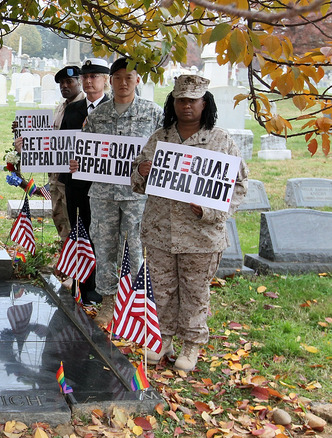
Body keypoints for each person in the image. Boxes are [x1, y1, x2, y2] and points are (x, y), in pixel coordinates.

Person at [131, 75, 248, 372]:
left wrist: (209, 211)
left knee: (195, 292)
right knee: (162, 290)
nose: (186, 105)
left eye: (193, 100)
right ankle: (163, 339)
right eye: (181, 100)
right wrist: (142, 171)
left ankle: (192, 345)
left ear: (204, 103)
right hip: (160, 232)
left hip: (200, 236)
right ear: (173, 102)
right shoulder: (160, 138)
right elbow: (137, 182)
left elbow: (238, 186)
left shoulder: (220, 140)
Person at [68, 57, 163, 326]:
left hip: (137, 195)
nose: (123, 83)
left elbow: (165, 150)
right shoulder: (97, 115)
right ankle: (108, 302)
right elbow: (87, 150)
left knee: (136, 248)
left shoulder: (153, 113)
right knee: (105, 246)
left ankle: (135, 304)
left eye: (129, 77)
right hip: (103, 194)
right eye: (118, 78)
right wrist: (80, 163)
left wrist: (151, 165)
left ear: (138, 80)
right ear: (111, 80)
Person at [57, 58, 111, 304]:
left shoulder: (113, 109)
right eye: (86, 77)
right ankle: (82, 285)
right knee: (80, 234)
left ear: (105, 80)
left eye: (95, 77)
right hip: (75, 185)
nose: (89, 81)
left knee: (101, 235)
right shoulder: (72, 110)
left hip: (103, 187)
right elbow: (60, 147)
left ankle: (98, 289)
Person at [13, 65, 84, 241]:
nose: (64, 86)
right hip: (55, 177)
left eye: (69, 81)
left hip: (73, 179)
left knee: (73, 222)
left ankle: (75, 264)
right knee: (59, 218)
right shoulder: (61, 107)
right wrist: (22, 131)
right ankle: (65, 258)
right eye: (61, 83)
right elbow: (48, 140)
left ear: (79, 82)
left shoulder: (86, 107)